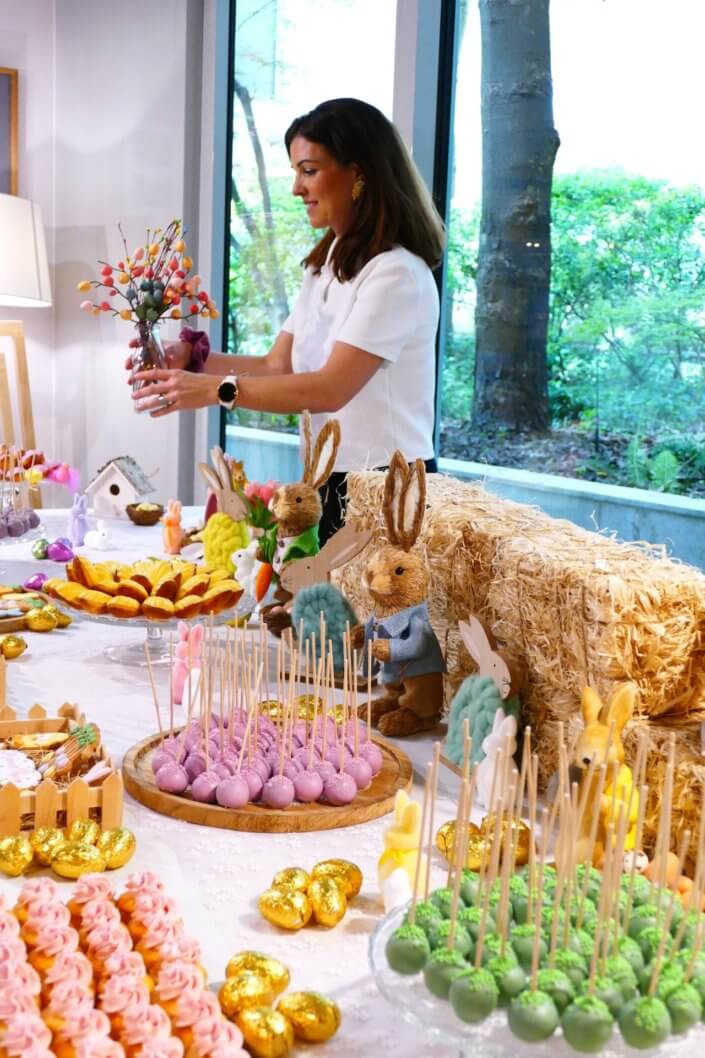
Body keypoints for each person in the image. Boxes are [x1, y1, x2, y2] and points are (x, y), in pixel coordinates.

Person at [129, 97, 445, 542]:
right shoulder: (328, 262)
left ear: (358, 173)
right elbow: (279, 366)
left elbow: (330, 388)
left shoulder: (395, 274)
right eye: (296, 171)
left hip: (387, 489)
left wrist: (212, 391)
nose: (297, 187)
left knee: (373, 613)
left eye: (309, 170)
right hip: (328, 479)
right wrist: (195, 361)